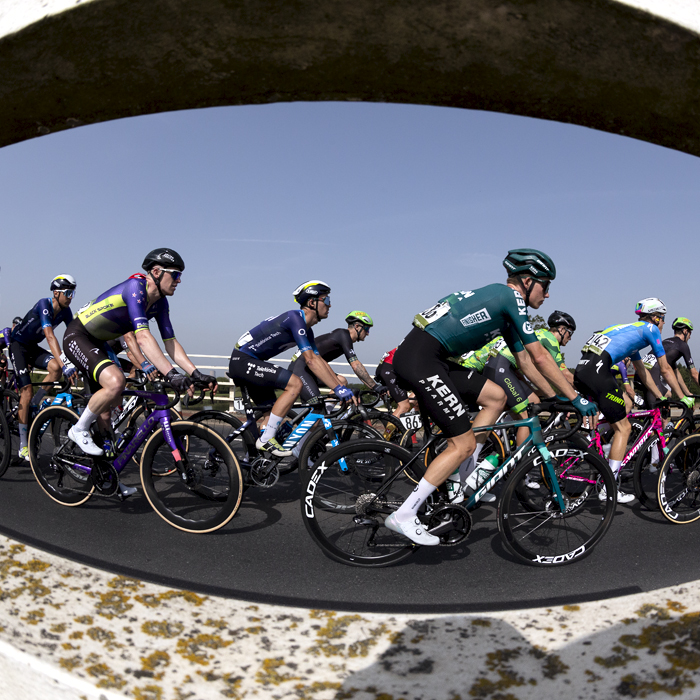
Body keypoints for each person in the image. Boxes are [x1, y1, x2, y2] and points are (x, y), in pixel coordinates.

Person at [387, 249, 596, 545]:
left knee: (496, 397)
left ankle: (462, 475)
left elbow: (524, 362)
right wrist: (575, 398)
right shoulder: (510, 298)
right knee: (463, 442)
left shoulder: (505, 308)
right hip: (423, 358)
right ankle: (405, 514)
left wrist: (552, 396)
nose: (547, 295)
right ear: (526, 281)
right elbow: (539, 356)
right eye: (545, 286)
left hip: (433, 357)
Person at [62, 249, 216, 479]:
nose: (179, 280)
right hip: (79, 335)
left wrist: (195, 372)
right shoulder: (136, 288)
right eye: (175, 275)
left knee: (106, 413)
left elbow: (170, 342)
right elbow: (142, 337)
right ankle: (79, 428)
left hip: (100, 342)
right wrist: (172, 374)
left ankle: (105, 473)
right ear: (156, 272)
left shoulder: (160, 303)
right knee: (116, 381)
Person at [574, 298, 693, 504]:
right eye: (662, 319)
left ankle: (600, 455)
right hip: (598, 372)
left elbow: (642, 371)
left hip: (581, 371)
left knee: (612, 418)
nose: (663, 324)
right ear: (655, 317)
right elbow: (665, 368)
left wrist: (660, 396)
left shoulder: (628, 332)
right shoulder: (650, 329)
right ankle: (609, 486)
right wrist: (682, 396)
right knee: (624, 428)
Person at [228, 281, 354, 457]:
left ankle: (254, 461)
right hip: (243, 361)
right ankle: (266, 440)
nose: (329, 304)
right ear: (312, 302)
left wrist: (339, 386)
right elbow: (310, 360)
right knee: (294, 384)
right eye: (326, 299)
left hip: (251, 362)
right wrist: (337, 388)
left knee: (270, 415)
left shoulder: (307, 331)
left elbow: (319, 361)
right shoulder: (295, 318)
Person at [9, 276, 77, 461]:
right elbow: (50, 336)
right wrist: (66, 363)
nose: (71, 297)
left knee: (55, 368)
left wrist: (77, 358)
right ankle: (23, 446)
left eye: (73, 292)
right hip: (18, 346)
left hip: (32, 348)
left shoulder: (65, 311)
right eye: (68, 293)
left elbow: (72, 335)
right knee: (27, 390)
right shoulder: (44, 304)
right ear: (56, 293)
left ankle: (33, 405)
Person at [288, 311, 382, 401]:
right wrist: (375, 386)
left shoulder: (344, 338)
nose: (368, 333)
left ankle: (327, 414)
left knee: (342, 381)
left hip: (310, 369)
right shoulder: (343, 335)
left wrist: (374, 387)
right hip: (300, 369)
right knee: (317, 405)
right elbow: (356, 366)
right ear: (357, 326)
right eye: (366, 329)